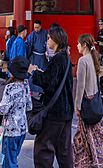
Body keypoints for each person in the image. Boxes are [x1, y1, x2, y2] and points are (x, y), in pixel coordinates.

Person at [29, 25, 74, 168]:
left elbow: (48, 83)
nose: (47, 40)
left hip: (54, 111)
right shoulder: (66, 59)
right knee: (64, 150)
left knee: (44, 149)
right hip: (66, 112)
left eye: (49, 38)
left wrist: (34, 73)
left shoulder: (56, 60)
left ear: (56, 39)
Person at [72, 34, 103, 167]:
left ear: (84, 45)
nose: (77, 46)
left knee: (86, 136)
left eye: (79, 43)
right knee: (99, 135)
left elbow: (80, 86)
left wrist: (77, 105)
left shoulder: (82, 60)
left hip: (86, 102)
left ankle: (90, 161)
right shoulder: (93, 58)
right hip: (95, 101)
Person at [0, 55, 31, 168]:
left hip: (10, 129)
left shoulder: (10, 88)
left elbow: (3, 108)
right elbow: (29, 106)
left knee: (9, 162)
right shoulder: (25, 85)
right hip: (22, 128)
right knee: (13, 158)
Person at [26, 20, 49, 96]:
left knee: (43, 72)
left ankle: (42, 90)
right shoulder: (32, 35)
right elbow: (28, 45)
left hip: (44, 57)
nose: (36, 29)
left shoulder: (45, 33)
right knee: (34, 72)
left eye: (38, 27)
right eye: (35, 27)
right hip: (35, 56)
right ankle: (32, 89)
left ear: (41, 26)